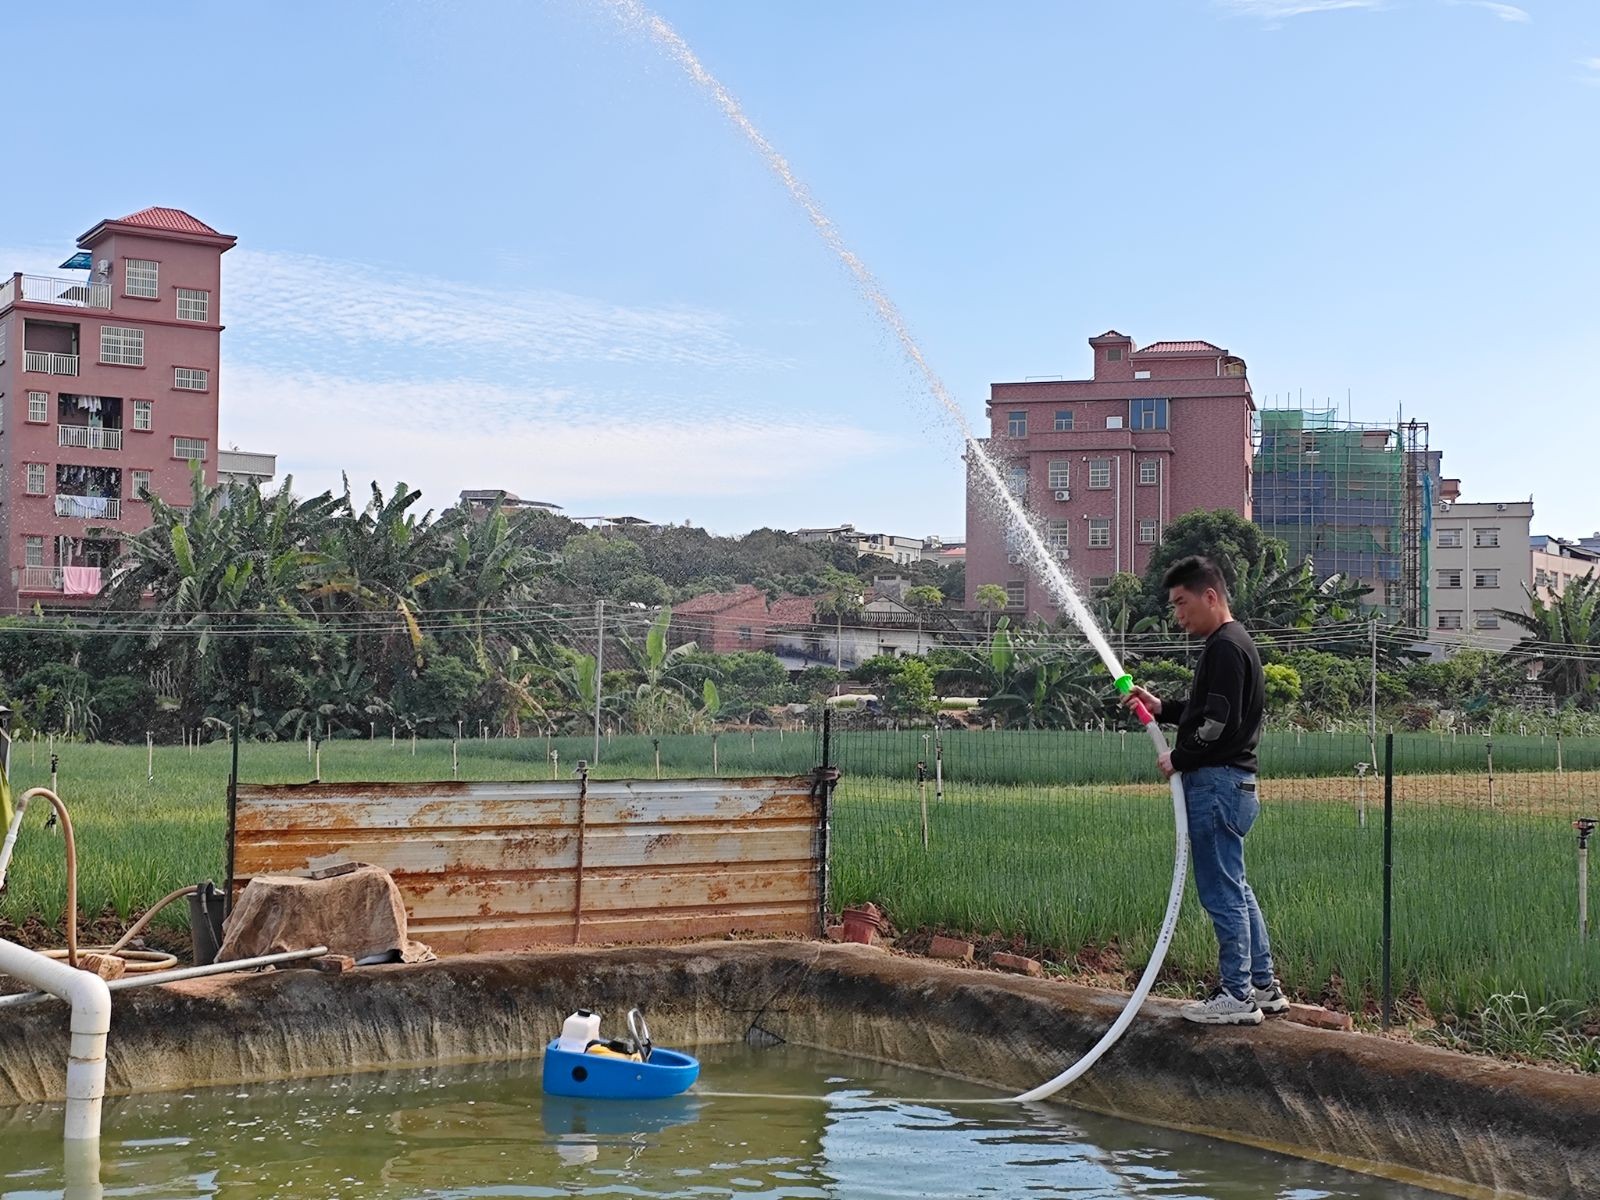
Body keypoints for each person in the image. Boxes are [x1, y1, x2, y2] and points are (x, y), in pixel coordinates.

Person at [1123, 555, 1286, 1026]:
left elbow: (1217, 725)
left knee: (1221, 893)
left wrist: (1181, 758)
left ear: (1210, 596)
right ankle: (1262, 985)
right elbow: (1209, 711)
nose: (1177, 615)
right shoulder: (1233, 645)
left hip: (1217, 784)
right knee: (1237, 887)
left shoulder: (1223, 647)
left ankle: (1236, 996)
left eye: (1181, 603)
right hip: (1234, 785)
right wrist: (1164, 708)